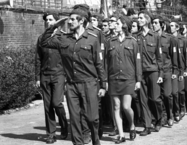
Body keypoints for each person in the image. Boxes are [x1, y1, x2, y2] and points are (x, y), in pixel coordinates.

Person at [40, 6, 107, 145]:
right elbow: (44, 42)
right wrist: (54, 27)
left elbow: (99, 63)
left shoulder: (92, 39)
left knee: (92, 118)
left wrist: (103, 84)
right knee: (75, 118)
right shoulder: (64, 39)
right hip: (71, 85)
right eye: (69, 20)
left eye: (72, 20)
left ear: (81, 21)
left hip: (89, 83)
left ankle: (96, 140)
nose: (69, 22)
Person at [105, 15, 141, 143]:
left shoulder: (132, 41)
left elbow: (137, 62)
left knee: (126, 107)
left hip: (128, 79)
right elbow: (106, 62)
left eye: (118, 23)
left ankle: (132, 125)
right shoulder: (110, 41)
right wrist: (105, 80)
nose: (115, 25)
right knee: (116, 106)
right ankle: (121, 135)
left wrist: (138, 80)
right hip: (113, 78)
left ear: (125, 25)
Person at [35, 12, 68, 144]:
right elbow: (38, 58)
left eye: (51, 19)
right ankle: (51, 134)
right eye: (46, 20)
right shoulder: (41, 38)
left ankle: (64, 125)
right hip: (45, 75)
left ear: (56, 22)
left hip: (59, 74)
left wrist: (67, 76)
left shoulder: (62, 37)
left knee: (56, 103)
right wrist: (37, 77)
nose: (48, 22)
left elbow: (67, 58)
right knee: (47, 106)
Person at [137, 10, 164, 136]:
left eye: (141, 18)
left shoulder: (155, 36)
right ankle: (147, 125)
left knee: (154, 98)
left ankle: (159, 117)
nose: (139, 20)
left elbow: (159, 57)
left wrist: (161, 74)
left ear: (147, 20)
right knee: (143, 100)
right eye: (138, 18)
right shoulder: (136, 37)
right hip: (140, 73)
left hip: (153, 71)